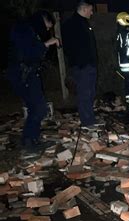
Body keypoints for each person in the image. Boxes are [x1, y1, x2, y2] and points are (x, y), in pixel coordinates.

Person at [7, 11, 60, 152]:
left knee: (36, 108)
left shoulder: (29, 29)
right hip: (24, 75)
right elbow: (29, 53)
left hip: (27, 74)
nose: (48, 30)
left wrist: (43, 47)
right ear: (44, 20)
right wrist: (47, 43)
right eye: (48, 26)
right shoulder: (23, 29)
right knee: (39, 108)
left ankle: (32, 139)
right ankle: (29, 141)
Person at [62, 0, 98, 128]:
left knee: (90, 93)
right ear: (84, 9)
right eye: (91, 10)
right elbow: (69, 48)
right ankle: (87, 122)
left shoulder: (83, 23)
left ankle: (90, 119)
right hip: (82, 66)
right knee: (84, 93)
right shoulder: (72, 24)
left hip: (88, 65)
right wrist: (81, 63)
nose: (92, 13)